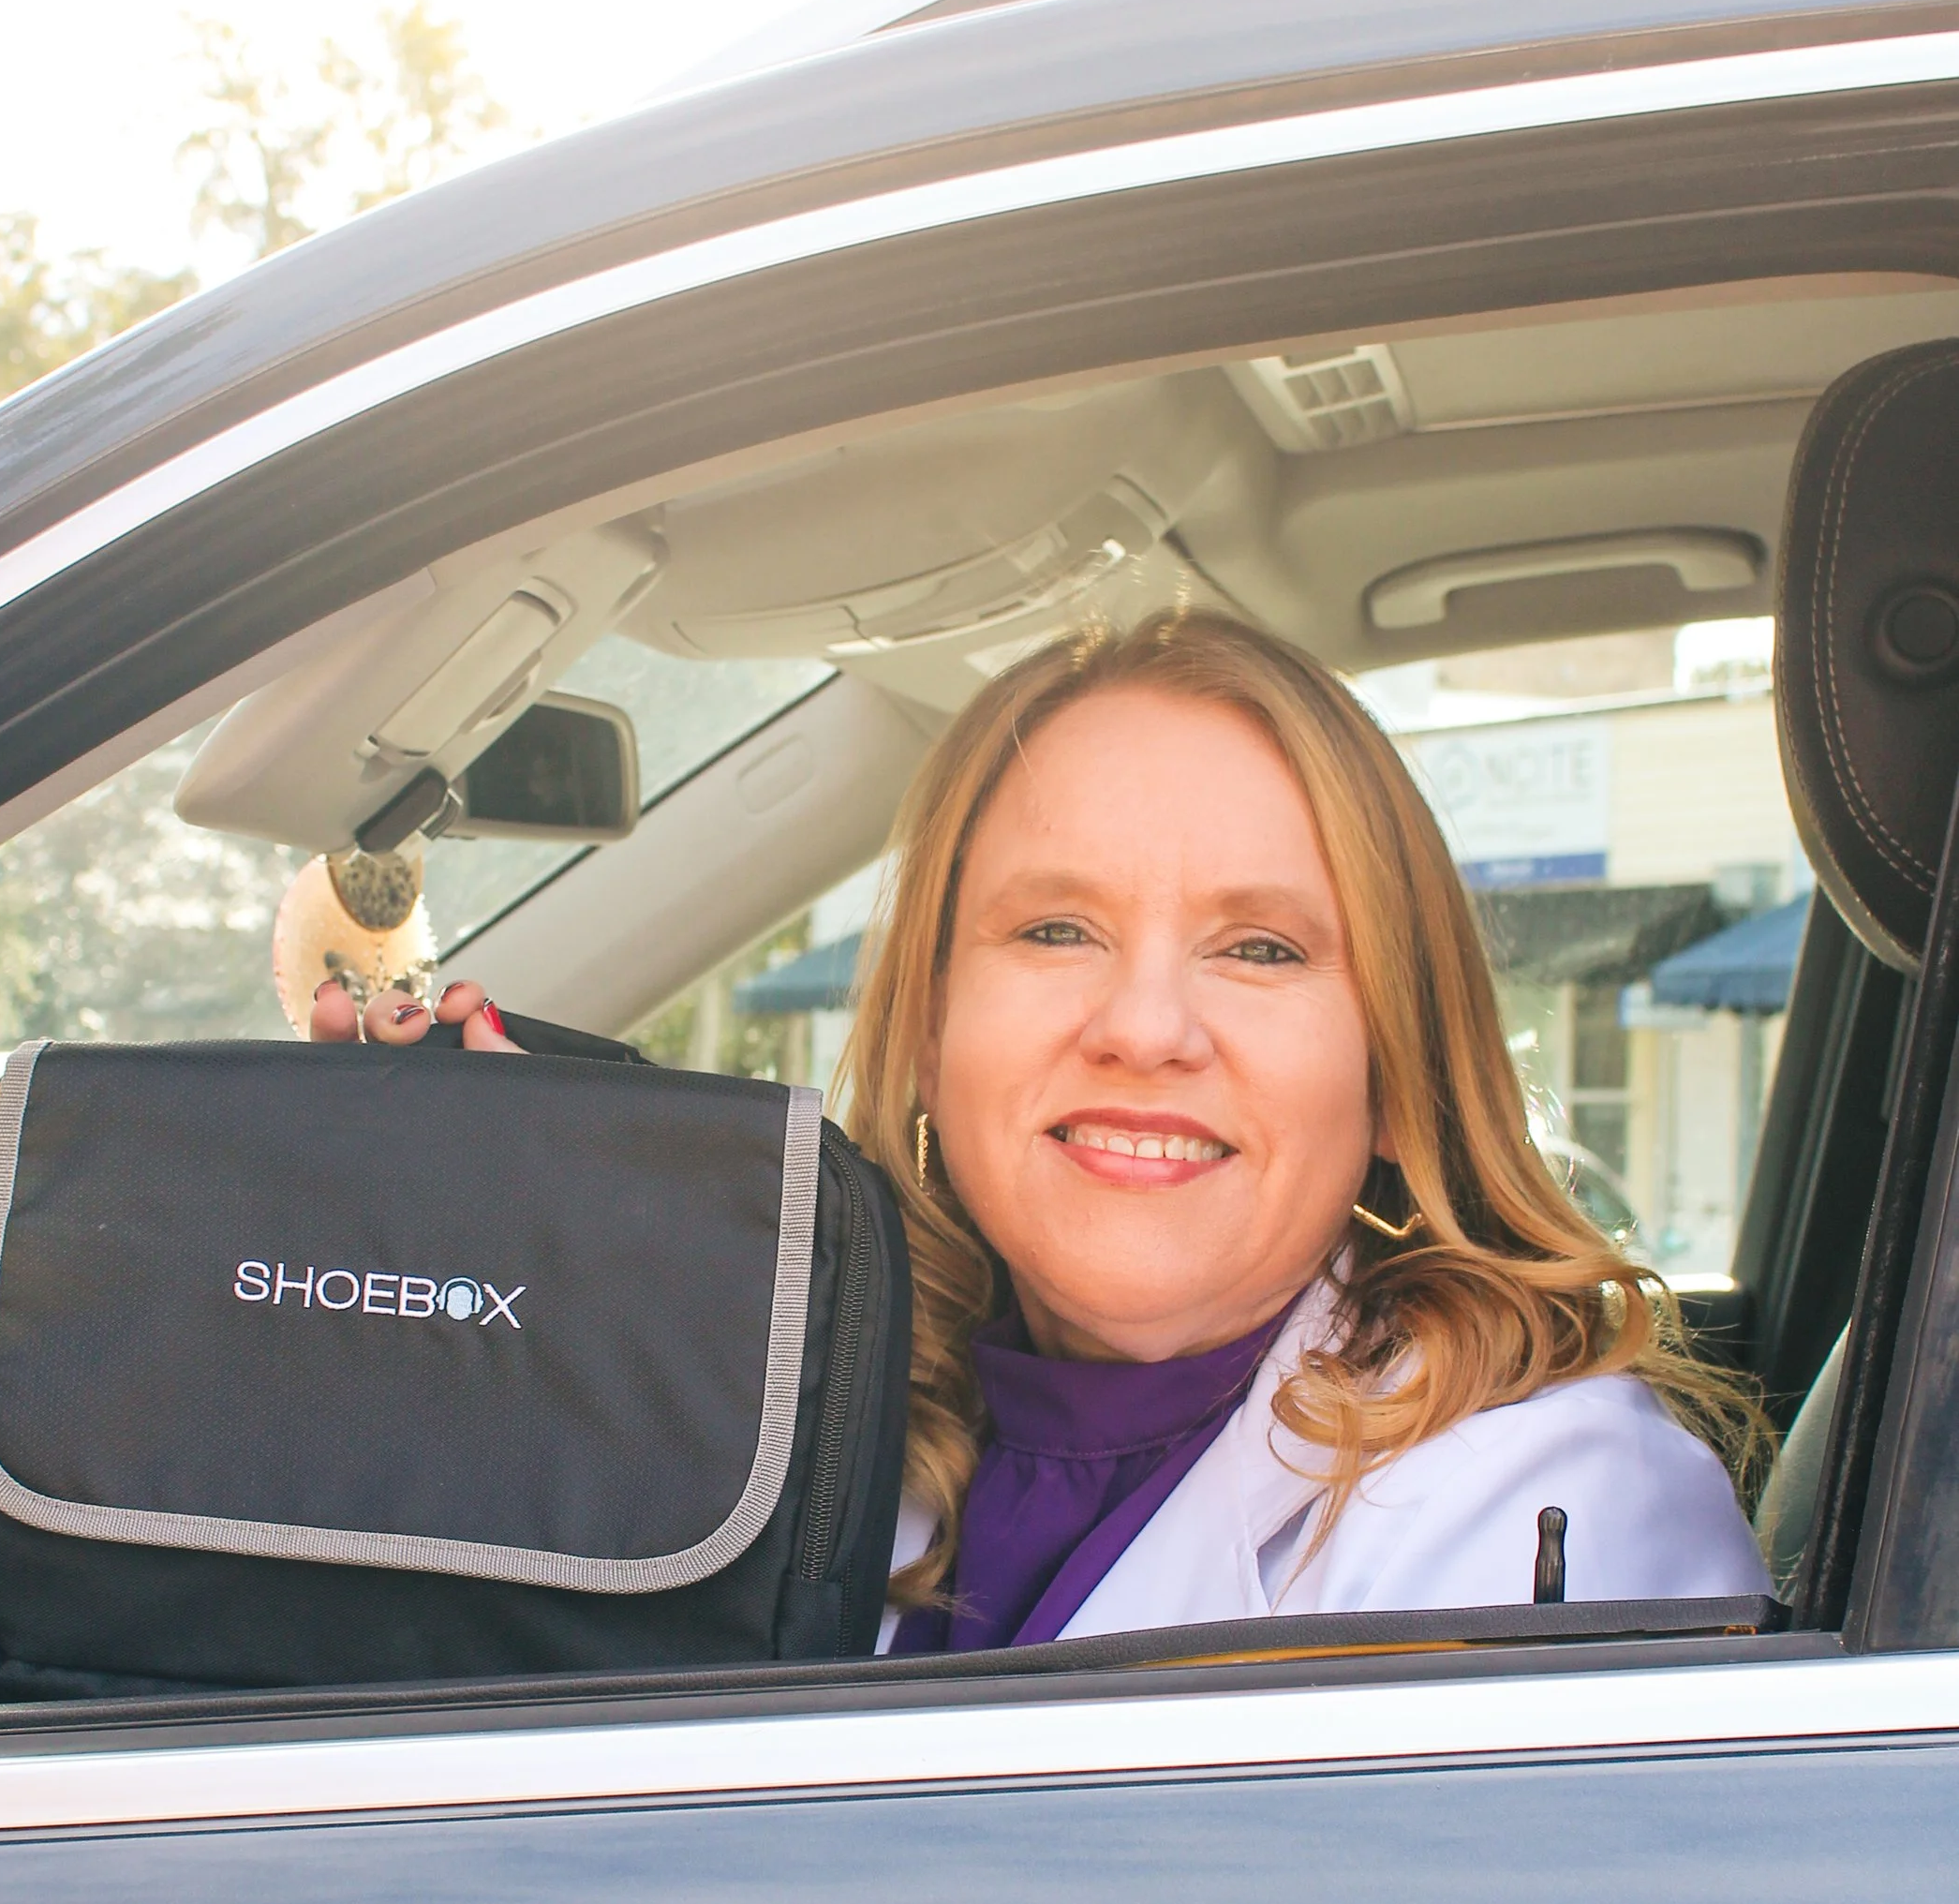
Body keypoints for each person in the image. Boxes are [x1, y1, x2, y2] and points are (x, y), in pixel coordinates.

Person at [311, 607, 1771, 1647]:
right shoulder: (811, 1430)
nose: (1143, 1025)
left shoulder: (1552, 1514)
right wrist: (472, 1244)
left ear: (1396, 1070)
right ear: (932, 1034)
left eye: (1260, 948)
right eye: (1056, 926)